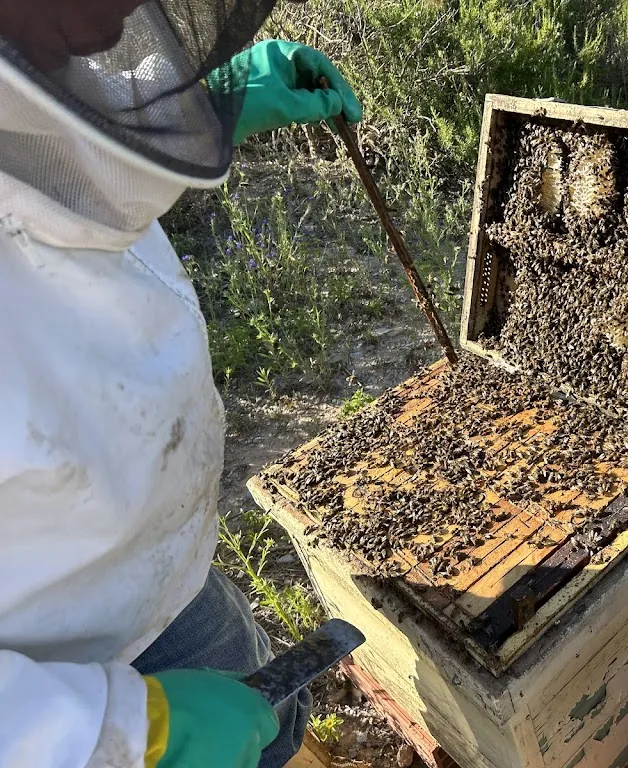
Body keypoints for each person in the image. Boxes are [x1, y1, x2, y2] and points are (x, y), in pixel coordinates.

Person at [0, 1, 363, 766]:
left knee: (270, 720)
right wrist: (115, 735)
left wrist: (192, 103)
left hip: (159, 579)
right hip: (44, 679)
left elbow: (49, 153)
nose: (115, 25)